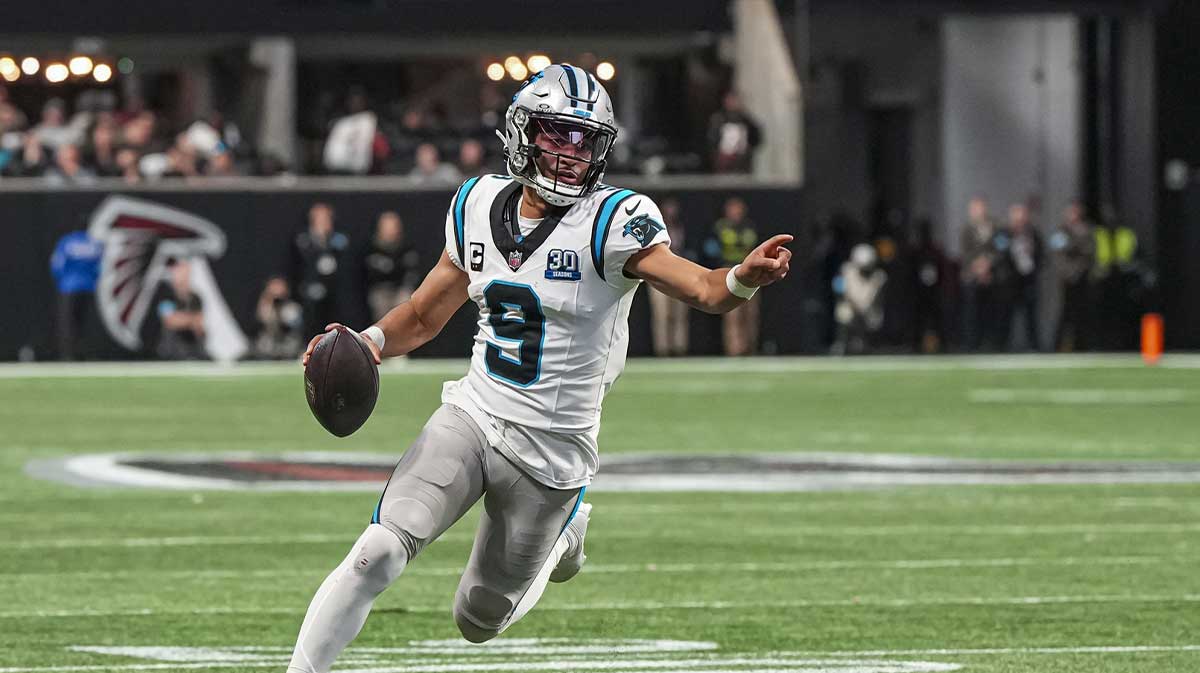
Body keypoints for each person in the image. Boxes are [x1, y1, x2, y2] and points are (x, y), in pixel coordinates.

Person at [288, 63, 791, 673]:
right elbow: (423, 316)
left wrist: (741, 277)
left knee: (477, 619)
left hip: (553, 453)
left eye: (585, 141)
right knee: (377, 553)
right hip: (473, 416)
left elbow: (704, 290)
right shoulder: (476, 203)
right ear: (521, 134)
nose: (571, 154)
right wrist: (367, 341)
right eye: (558, 134)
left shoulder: (611, 222)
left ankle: (566, 530)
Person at [706, 197, 760, 355]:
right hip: (729, 271)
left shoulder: (749, 227)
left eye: (739, 209)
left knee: (750, 313)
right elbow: (711, 248)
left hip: (750, 273)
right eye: (733, 209)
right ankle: (734, 350)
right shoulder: (720, 227)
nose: (736, 212)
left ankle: (750, 348)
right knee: (732, 314)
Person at [290, 202, 350, 339]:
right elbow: (297, 268)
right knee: (309, 312)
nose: (324, 222)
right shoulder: (302, 240)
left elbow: (345, 266)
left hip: (334, 291)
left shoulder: (339, 239)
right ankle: (306, 343)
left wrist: (325, 241)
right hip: (308, 290)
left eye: (326, 218)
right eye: (320, 218)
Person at [647, 199, 693, 356]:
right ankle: (662, 349)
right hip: (658, 275)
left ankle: (680, 348)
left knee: (679, 314)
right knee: (662, 314)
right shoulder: (653, 227)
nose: (671, 212)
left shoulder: (681, 228)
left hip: (680, 275)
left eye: (673, 209)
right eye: (668, 209)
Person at [49, 230, 103, 360]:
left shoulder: (67, 241)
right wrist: (92, 280)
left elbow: (56, 264)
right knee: (84, 323)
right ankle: (84, 353)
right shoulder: (94, 244)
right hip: (88, 287)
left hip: (69, 288)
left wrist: (62, 280)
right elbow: (99, 267)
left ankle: (68, 354)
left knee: (68, 323)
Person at [1051, 201, 1095, 351]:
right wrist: (1070, 272)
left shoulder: (1087, 229)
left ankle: (1081, 346)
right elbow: (1058, 254)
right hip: (1066, 280)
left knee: (1082, 313)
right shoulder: (1061, 231)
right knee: (1065, 313)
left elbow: (1090, 252)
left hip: (1082, 278)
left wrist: (1078, 269)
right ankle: (1057, 346)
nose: (1073, 215)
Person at [363, 211, 421, 321]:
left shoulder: (406, 248)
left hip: (400, 290)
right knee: (379, 302)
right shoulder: (372, 249)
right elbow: (368, 275)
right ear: (380, 228)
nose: (390, 230)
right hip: (380, 290)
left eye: (393, 226)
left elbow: (411, 273)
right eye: (387, 226)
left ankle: (405, 335)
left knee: (406, 300)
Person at [959, 197, 999, 351]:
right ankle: (971, 344)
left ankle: (990, 343)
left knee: (990, 311)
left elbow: (999, 248)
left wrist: (988, 263)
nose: (978, 211)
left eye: (980, 207)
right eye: (974, 208)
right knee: (971, 312)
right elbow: (965, 252)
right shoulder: (966, 229)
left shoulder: (996, 226)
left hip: (990, 276)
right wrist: (977, 266)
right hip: (971, 275)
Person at [1003, 203, 1043, 351]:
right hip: (1011, 280)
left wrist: (1033, 259)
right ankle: (1004, 346)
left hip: (1028, 279)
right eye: (1016, 215)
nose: (1020, 218)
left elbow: (1041, 254)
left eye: (1022, 215)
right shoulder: (1005, 233)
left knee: (1031, 315)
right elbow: (1000, 253)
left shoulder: (1033, 233)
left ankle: (1034, 346)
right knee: (1007, 315)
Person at [155, 259, 207, 360]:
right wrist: (190, 319)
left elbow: (199, 324)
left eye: (186, 270)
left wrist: (184, 319)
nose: (184, 274)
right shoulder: (165, 295)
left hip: (194, 349)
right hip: (171, 351)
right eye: (180, 270)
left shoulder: (195, 297)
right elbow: (170, 321)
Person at [707, 90, 761, 173]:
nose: (732, 103)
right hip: (723, 161)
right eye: (730, 100)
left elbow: (756, 138)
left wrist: (747, 149)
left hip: (742, 162)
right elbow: (712, 139)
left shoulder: (746, 120)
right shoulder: (718, 119)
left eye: (734, 100)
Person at [254, 276, 304, 359]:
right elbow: (263, 319)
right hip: (269, 346)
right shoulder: (266, 306)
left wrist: (281, 309)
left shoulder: (292, 307)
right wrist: (268, 299)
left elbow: (292, 323)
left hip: (289, 345)